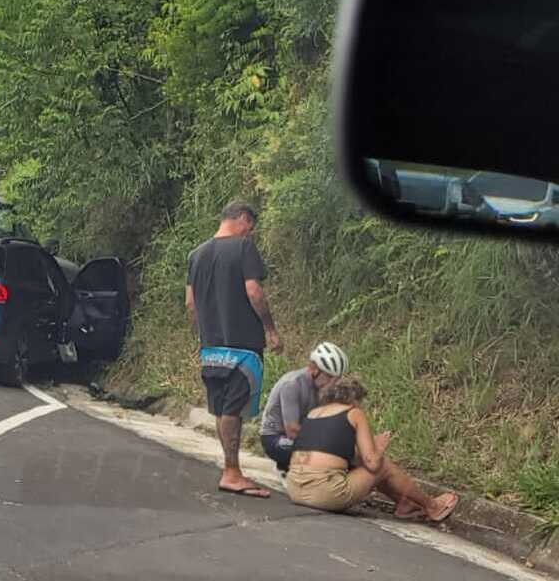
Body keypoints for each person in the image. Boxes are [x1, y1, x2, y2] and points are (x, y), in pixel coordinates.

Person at [186, 200, 283, 499]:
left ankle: (232, 469)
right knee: (233, 409)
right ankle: (231, 472)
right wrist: (270, 329)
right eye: (250, 226)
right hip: (242, 345)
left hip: (210, 346)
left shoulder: (196, 255)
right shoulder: (243, 248)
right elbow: (254, 291)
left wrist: (203, 333)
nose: (250, 233)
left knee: (220, 406)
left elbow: (190, 303)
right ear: (241, 218)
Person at [288, 374, 459, 522]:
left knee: (363, 465)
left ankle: (405, 504)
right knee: (383, 466)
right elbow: (373, 463)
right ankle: (433, 506)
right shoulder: (353, 412)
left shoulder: (314, 413)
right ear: (354, 398)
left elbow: (331, 453)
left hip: (295, 488)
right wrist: (378, 448)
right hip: (324, 493)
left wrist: (366, 453)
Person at [260, 341, 349, 474]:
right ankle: (284, 467)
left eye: (336, 379)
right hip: (276, 437)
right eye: (329, 376)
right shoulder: (292, 384)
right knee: (327, 455)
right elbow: (292, 431)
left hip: (301, 436)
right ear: (314, 369)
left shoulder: (323, 387)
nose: (333, 383)